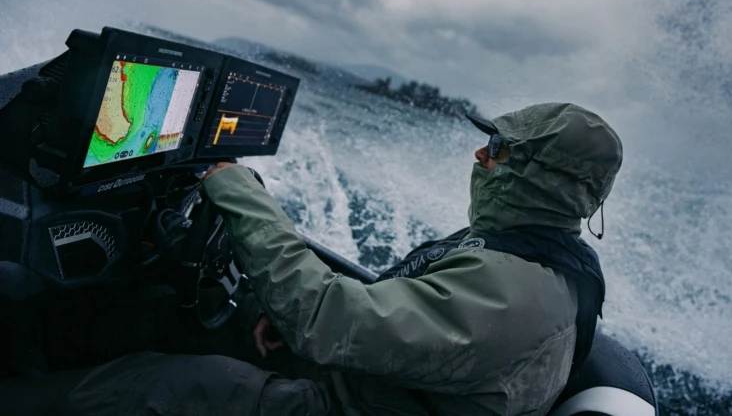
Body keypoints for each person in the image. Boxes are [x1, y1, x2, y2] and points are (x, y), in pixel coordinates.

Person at [10, 102, 622, 415]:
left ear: (542, 179)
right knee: (171, 319)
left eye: (498, 147)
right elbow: (387, 324)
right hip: (382, 389)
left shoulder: (511, 293)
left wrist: (234, 186)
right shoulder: (540, 261)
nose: (480, 155)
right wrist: (292, 325)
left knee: (157, 385)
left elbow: (327, 318)